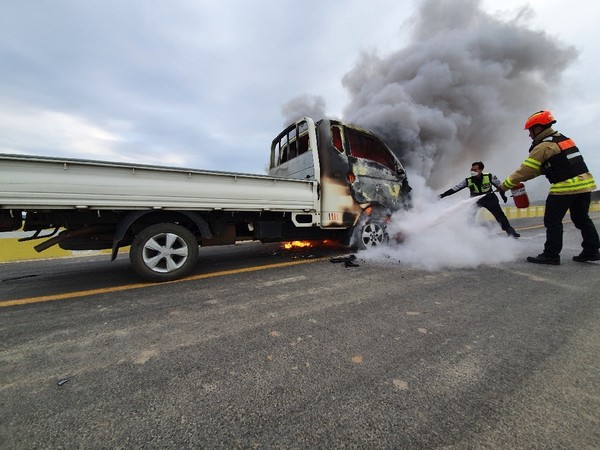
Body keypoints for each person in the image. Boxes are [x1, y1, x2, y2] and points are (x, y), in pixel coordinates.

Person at [500, 110, 600, 265]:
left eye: (530, 131)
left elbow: (526, 170)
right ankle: (592, 250)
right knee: (581, 219)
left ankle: (551, 254)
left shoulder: (543, 146)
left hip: (565, 187)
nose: (529, 135)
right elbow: (544, 168)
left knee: (552, 220)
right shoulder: (564, 140)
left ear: (538, 128)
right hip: (585, 186)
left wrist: (504, 186)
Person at [439, 161, 520, 237]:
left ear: (481, 170)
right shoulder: (468, 180)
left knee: (500, 215)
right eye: (471, 169)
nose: (472, 171)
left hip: (490, 199)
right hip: (475, 199)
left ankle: (509, 230)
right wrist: (442, 195)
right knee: (470, 217)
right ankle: (469, 234)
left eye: (474, 169)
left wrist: (503, 195)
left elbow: (500, 186)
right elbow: (456, 188)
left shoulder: (489, 176)